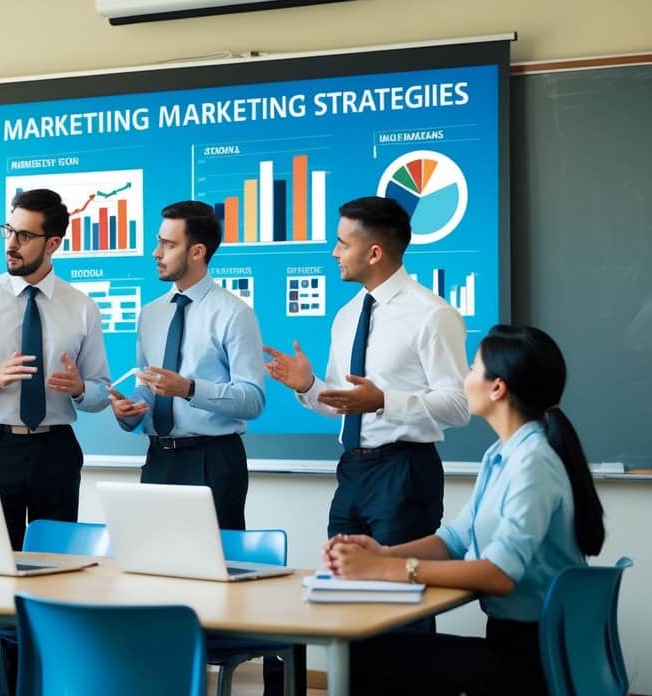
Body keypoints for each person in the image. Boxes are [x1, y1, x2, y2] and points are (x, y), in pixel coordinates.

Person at [325, 324, 606, 696]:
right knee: (371, 651)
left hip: (534, 659)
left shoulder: (532, 465)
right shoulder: (503, 455)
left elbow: (500, 574)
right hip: (521, 646)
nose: (465, 378)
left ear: (498, 387)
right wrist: (384, 553)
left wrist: (388, 569)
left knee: (369, 657)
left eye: (473, 368)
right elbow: (455, 538)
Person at [0, 187, 111, 696]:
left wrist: (82, 388)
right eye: (8, 230)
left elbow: (101, 393)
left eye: (25, 235)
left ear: (53, 241)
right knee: (1, 580)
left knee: (55, 579)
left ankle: (50, 682)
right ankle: (8, 686)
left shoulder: (81, 308)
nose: (11, 242)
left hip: (57, 448)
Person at [264, 196, 469, 548]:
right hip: (351, 470)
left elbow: (459, 405)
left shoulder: (432, 315)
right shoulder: (347, 315)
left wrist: (384, 401)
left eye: (343, 243)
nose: (334, 252)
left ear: (374, 253)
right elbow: (342, 406)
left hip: (405, 472)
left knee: (396, 594)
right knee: (342, 583)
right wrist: (309, 386)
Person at [107, 200, 266, 525]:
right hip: (158, 457)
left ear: (197, 252)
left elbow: (253, 399)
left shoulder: (234, 314)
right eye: (158, 241)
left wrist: (189, 388)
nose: (156, 252)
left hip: (213, 460)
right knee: (154, 561)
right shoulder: (150, 314)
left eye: (168, 244)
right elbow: (147, 386)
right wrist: (131, 409)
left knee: (214, 565)